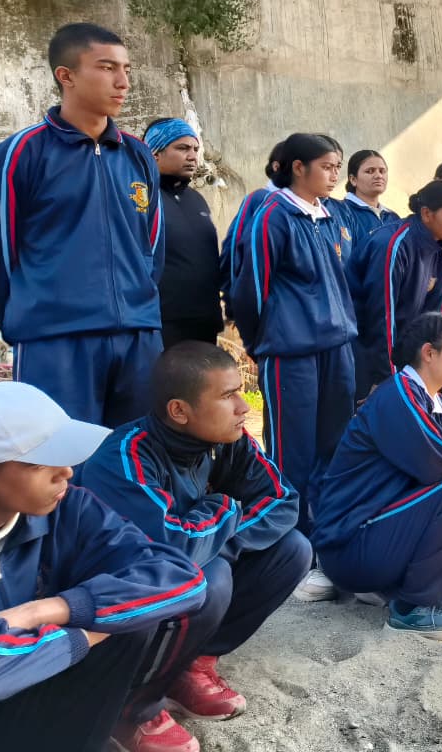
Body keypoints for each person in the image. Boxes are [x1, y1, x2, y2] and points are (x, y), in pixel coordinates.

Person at [77, 343, 310, 750]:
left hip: (182, 568)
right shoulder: (126, 456)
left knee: (293, 550)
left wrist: (219, 539)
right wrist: (224, 507)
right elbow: (173, 548)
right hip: (115, 602)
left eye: (241, 392)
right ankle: (131, 707)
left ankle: (191, 665)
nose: (243, 407)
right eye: (227, 396)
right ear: (179, 411)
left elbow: (283, 500)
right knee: (209, 576)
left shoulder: (227, 440)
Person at [0, 382, 208, 752]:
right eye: (43, 463)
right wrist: (82, 636)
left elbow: (183, 577)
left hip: (31, 688)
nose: (67, 472)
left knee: (128, 619)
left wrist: (48, 610)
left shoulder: (68, 508)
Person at [0, 23, 165, 426]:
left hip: (139, 338)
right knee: (59, 456)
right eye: (107, 68)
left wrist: (139, 306)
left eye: (126, 69)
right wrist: (30, 316)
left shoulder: (138, 156)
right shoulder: (22, 153)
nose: (123, 82)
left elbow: (153, 247)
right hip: (55, 340)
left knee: (135, 454)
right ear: (66, 75)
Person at [228, 133, 356, 603]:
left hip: (336, 348)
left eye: (338, 165)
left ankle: (328, 544)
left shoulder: (330, 216)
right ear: (298, 167)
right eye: (327, 165)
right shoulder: (273, 215)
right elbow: (250, 286)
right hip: (291, 353)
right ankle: (293, 552)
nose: (335, 174)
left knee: (334, 450)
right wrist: (260, 342)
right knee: (292, 455)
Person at [314, 315, 442, 640]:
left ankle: (401, 591)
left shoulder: (429, 400)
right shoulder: (400, 396)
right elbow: (440, 461)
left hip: (368, 537)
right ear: (429, 353)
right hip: (348, 547)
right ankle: (416, 609)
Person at [351, 180, 442, 396]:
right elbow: (381, 317)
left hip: (400, 351)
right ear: (427, 214)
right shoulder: (393, 245)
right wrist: (385, 377)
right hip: (364, 350)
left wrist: (426, 371)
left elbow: (433, 319)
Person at [143, 119, 223, 350]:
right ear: (155, 154)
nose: (192, 156)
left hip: (204, 325)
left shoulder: (196, 199)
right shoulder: (143, 200)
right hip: (161, 326)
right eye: (182, 148)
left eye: (195, 149)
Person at [219, 140, 284, 311]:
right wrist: (231, 298)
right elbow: (233, 248)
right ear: (276, 166)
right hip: (268, 309)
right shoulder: (260, 199)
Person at [329, 149, 398, 245]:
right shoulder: (341, 213)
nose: (378, 176)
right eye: (370, 171)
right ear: (353, 179)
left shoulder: (392, 217)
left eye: (382, 171)